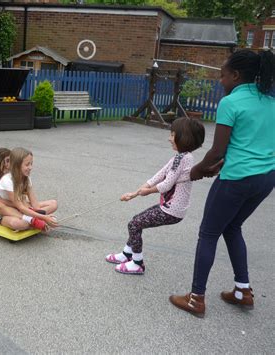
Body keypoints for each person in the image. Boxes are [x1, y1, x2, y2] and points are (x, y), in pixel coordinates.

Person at [169, 50, 275, 318]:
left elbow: (217, 151)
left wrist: (195, 171)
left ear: (236, 76)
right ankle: (243, 290)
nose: (220, 81)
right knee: (232, 227)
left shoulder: (231, 102)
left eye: (223, 75)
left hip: (237, 179)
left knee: (208, 233)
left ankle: (196, 298)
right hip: (266, 179)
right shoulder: (270, 100)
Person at [106, 117, 205, 275]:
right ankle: (127, 254)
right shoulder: (181, 157)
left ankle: (137, 263)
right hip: (170, 207)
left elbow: (166, 184)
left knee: (135, 224)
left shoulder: (182, 159)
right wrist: (135, 193)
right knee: (136, 221)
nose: (169, 138)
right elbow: (159, 175)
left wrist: (147, 191)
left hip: (172, 210)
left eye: (172, 135)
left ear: (184, 137)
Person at [0, 148, 48, 231]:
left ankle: (31, 218)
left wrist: (24, 205)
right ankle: (30, 219)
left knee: (52, 204)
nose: (10, 164)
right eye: (8, 161)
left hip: (5, 208)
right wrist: (21, 206)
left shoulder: (9, 175)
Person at [0, 147, 59, 230]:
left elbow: (35, 204)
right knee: (20, 224)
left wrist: (43, 216)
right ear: (17, 165)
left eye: (31, 164)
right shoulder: (7, 181)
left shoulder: (26, 178)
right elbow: (20, 207)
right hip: (9, 212)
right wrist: (44, 218)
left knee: (53, 203)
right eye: (27, 164)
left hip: (24, 208)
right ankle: (3, 221)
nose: (30, 167)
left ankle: (32, 220)